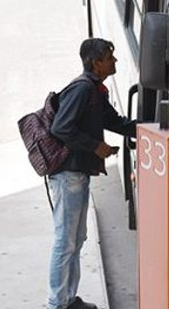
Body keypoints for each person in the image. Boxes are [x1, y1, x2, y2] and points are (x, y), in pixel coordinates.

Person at [48, 38, 137, 309]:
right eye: (110, 57)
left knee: (76, 239)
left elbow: (115, 121)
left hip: (78, 174)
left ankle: (68, 299)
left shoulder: (96, 91)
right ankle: (57, 303)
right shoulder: (83, 90)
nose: (115, 61)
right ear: (96, 62)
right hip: (67, 175)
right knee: (66, 241)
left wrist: (150, 129)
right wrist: (95, 146)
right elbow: (61, 128)